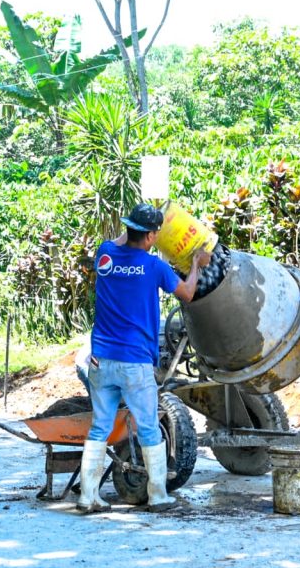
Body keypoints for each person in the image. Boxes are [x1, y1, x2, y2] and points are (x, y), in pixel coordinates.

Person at [78, 203, 210, 514]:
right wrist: (196, 264)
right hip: (134, 361)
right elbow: (188, 293)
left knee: (100, 427)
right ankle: (158, 495)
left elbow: (122, 240)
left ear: (129, 228)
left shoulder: (105, 254)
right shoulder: (154, 267)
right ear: (151, 236)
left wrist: (137, 228)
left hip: (101, 360)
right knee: (149, 427)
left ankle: (87, 496)